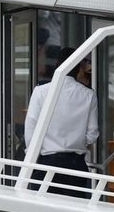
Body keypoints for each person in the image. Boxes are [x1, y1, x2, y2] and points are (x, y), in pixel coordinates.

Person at [23, 48, 100, 197]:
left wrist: (33, 155)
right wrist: (75, 140)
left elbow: (30, 128)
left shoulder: (41, 91)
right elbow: (92, 134)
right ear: (79, 68)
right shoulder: (88, 95)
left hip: (47, 162)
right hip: (75, 164)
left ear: (57, 65)